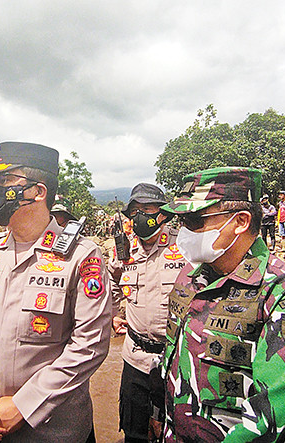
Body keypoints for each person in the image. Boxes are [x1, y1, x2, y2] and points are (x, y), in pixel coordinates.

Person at [154, 166, 285, 442]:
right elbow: (172, 360)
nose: (183, 231)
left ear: (240, 221)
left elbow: (271, 421)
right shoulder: (191, 277)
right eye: (180, 221)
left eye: (194, 220)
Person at [0, 142, 111, 443]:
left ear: (38, 191)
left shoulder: (82, 257)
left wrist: (24, 405)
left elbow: (90, 345)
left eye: (4, 182)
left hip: (53, 432)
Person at [107, 183, 184, 442]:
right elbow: (110, 281)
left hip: (178, 361)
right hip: (135, 359)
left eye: (147, 209)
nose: (140, 216)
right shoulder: (124, 250)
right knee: (135, 432)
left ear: (163, 213)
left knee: (179, 432)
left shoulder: (185, 247)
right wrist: (115, 313)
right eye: (135, 210)